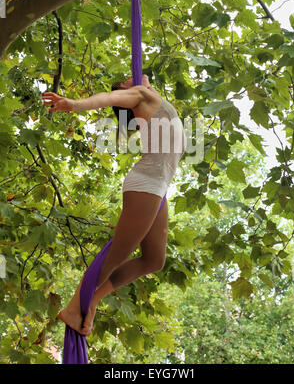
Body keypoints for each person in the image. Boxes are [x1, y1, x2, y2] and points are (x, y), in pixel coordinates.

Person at [41, 75, 186, 335]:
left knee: (154, 260)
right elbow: (107, 99)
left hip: (159, 186)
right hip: (147, 183)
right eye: (126, 79)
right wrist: (73, 104)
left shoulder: (151, 99)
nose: (132, 75)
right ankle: (75, 307)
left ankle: (94, 298)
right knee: (118, 254)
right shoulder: (141, 95)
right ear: (126, 91)